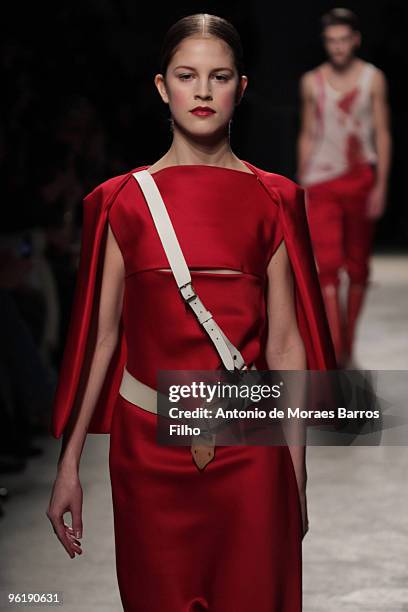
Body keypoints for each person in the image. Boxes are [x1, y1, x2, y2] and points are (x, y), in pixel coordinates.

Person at [46, 13, 336, 612]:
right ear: (162, 86)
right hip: (147, 449)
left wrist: (296, 471)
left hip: (249, 446)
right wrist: (69, 465)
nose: (202, 91)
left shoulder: (274, 198)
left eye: (219, 76)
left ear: (241, 88)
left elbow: (284, 346)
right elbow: (101, 341)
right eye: (187, 75)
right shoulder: (121, 201)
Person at [297, 7, 392, 368]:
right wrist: (302, 183)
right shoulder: (312, 81)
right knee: (327, 267)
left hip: (360, 178)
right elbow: (308, 132)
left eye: (342, 40)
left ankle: (346, 344)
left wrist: (381, 183)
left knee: (357, 267)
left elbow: (381, 132)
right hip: (321, 180)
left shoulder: (373, 79)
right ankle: (336, 351)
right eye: (331, 41)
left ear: (355, 40)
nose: (337, 48)